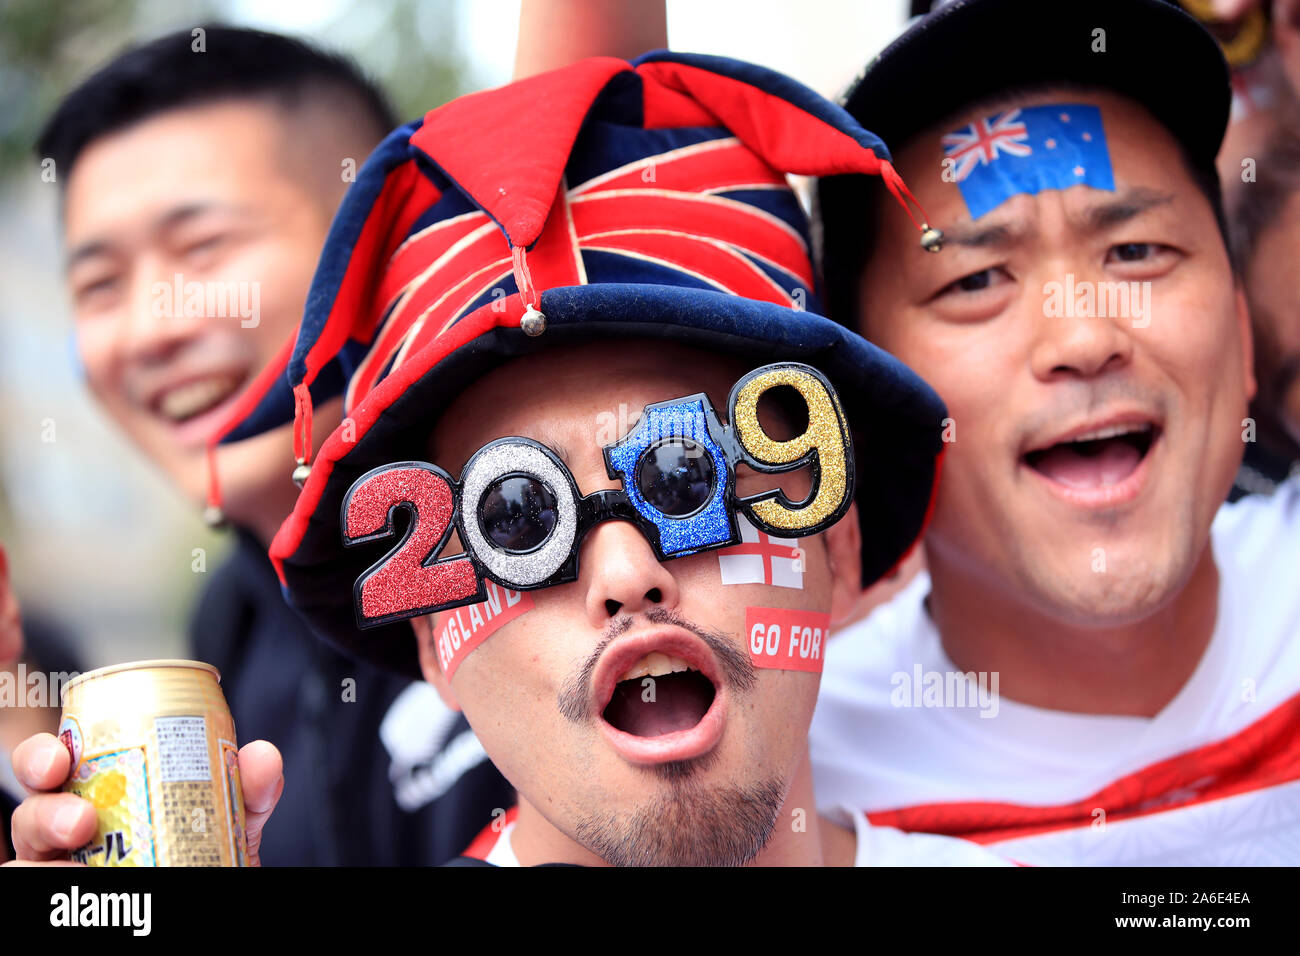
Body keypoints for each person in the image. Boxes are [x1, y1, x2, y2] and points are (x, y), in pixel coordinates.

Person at [10, 52, 1019, 866]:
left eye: (684, 478)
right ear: (434, 642)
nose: (627, 574)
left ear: (835, 548)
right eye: (517, 520)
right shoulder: (226, 632)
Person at [810, 0, 1300, 864]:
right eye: (976, 280)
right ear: (863, 398)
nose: (1083, 337)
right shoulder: (794, 795)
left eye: (1137, 252)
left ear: (1243, 329)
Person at [30, 24, 512, 865]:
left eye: (203, 248)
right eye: (100, 285)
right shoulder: (231, 622)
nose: (150, 331)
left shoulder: (538, 533)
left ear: (385, 246)